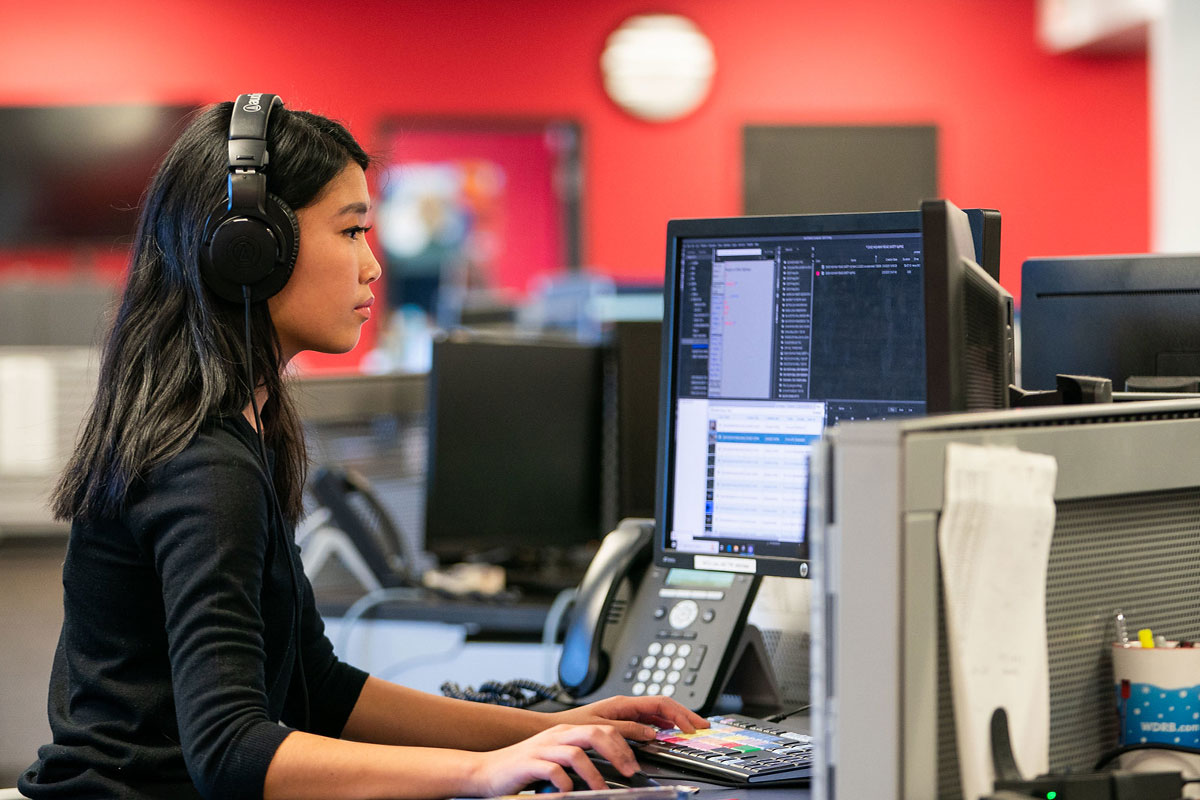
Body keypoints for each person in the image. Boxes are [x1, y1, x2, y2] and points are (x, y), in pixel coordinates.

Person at [19, 96, 706, 800]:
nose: (373, 266)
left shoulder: (241, 433)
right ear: (249, 251)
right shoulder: (205, 468)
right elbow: (231, 750)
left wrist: (541, 729)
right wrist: (481, 773)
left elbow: (317, 688)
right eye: (350, 232)